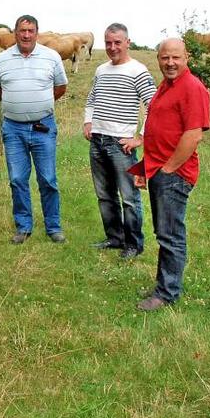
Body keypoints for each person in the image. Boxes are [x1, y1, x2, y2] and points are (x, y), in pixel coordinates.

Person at [129, 38, 210, 311]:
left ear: (186, 57)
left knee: (171, 235)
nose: (170, 63)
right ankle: (164, 285)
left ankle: (167, 294)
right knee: (163, 232)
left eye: (175, 57)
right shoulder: (166, 86)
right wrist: (144, 168)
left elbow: (193, 135)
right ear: (158, 59)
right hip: (159, 170)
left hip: (174, 174)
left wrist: (168, 169)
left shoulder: (192, 88)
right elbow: (156, 130)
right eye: (165, 58)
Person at [0, 15, 69, 244]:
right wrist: (15, 103)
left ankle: (53, 226)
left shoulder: (51, 56)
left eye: (30, 31)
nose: (26, 35)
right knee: (17, 179)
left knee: (48, 179)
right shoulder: (2, 59)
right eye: (22, 30)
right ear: (15, 33)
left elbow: (61, 87)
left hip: (43, 126)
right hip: (13, 129)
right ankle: (23, 226)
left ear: (36, 32)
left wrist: (41, 104)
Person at [83, 23, 157, 259]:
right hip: (97, 140)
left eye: (117, 42)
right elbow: (92, 98)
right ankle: (115, 238)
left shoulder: (138, 71)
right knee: (104, 195)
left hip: (120, 144)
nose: (112, 47)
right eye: (108, 43)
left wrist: (140, 138)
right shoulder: (101, 70)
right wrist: (88, 122)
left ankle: (134, 244)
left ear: (128, 43)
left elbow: (154, 106)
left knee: (129, 197)